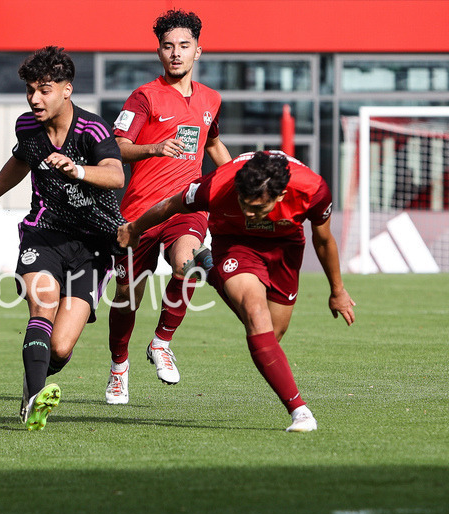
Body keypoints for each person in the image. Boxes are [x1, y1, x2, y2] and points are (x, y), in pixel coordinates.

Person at [117, 150, 356, 432]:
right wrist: (134, 227)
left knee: (272, 334)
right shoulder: (217, 184)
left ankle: (207, 265)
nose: (249, 213)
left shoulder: (313, 190)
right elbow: (171, 205)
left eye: (258, 209)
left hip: (284, 248)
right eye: (244, 204)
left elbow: (325, 240)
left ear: (280, 196)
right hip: (235, 243)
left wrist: (337, 290)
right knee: (256, 318)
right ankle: (300, 411)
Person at [0, 45, 126, 431]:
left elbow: (116, 174)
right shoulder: (28, 127)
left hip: (95, 246)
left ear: (67, 90)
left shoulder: (92, 129)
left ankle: (32, 381)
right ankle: (37, 398)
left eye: (45, 89)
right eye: (30, 90)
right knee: (43, 304)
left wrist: (78, 170)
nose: (35, 98)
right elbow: (19, 162)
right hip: (45, 233)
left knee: (61, 347)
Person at [106, 8, 231, 405]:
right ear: (159, 52)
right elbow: (115, 148)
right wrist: (153, 147)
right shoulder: (144, 96)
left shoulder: (211, 99)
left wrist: (238, 180)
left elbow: (212, 145)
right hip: (139, 215)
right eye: (167, 46)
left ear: (198, 51)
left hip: (186, 208)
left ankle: (161, 342)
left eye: (184, 45)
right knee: (127, 296)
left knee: (188, 262)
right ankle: (119, 368)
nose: (175, 53)